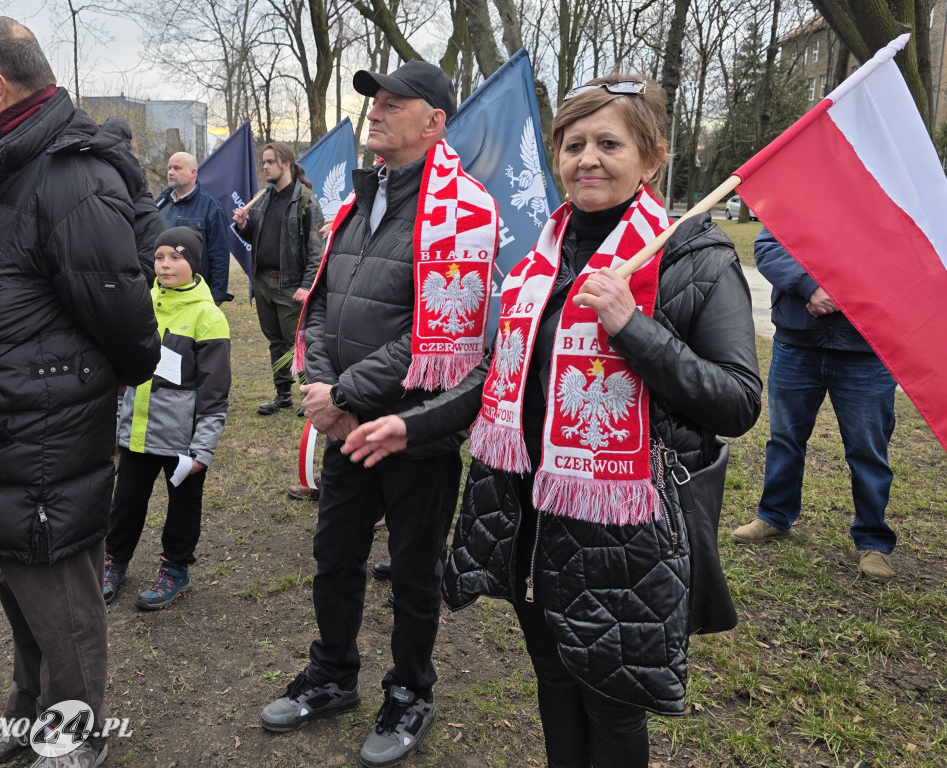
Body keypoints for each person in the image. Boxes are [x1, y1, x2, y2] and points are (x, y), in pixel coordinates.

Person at [342, 76, 762, 768]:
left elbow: (737, 401)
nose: (587, 159)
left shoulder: (693, 257)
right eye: (573, 145)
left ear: (651, 158)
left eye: (609, 143)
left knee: (612, 701)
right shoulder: (541, 256)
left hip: (628, 532)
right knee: (555, 677)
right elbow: (498, 373)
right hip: (531, 519)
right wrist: (411, 426)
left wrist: (631, 327)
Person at [0, 16, 159, 768]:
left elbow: (124, 316)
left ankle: (75, 735)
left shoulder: (69, 174)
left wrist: (66, 383)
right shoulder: (0, 161)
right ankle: (27, 718)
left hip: (40, 432)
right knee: (22, 590)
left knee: (61, 601)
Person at [257, 60, 498, 768]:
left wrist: (347, 395)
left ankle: (411, 691)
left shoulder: (466, 211)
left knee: (414, 573)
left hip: (416, 433)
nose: (377, 113)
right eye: (375, 102)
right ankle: (332, 674)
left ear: (435, 121)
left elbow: (439, 337)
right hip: (347, 423)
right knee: (334, 556)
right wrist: (327, 390)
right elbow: (323, 297)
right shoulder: (359, 200)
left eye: (395, 104)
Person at [732, 228, 898, 580]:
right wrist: (809, 287)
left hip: (867, 350)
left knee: (868, 450)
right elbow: (768, 245)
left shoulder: (883, 199)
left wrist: (844, 295)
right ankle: (775, 517)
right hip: (796, 344)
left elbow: (898, 258)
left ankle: (874, 541)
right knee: (784, 439)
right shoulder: (802, 189)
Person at [102, 227, 231, 609]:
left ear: (193, 262)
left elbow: (214, 394)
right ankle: (114, 562)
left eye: (175, 257)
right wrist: (116, 425)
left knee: (183, 509)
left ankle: (176, 568)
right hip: (139, 433)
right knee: (125, 502)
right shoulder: (140, 306)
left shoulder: (209, 317)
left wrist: (201, 450)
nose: (165, 265)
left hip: (183, 442)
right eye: (159, 257)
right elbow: (123, 372)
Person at [232, 142, 324, 417]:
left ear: (286, 163)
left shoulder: (305, 199)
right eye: (263, 162)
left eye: (270, 161)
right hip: (264, 283)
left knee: (298, 343)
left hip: (291, 285)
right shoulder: (263, 198)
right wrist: (243, 226)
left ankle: (310, 397)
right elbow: (256, 240)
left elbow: (316, 249)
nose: (265, 166)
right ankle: (282, 394)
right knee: (275, 342)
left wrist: (306, 286)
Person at [156, 151, 232, 304]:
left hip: (195, 293)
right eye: (169, 168)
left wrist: (217, 294)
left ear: (193, 173)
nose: (170, 172)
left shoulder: (211, 207)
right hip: (163, 292)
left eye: (177, 168)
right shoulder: (160, 203)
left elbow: (220, 254)